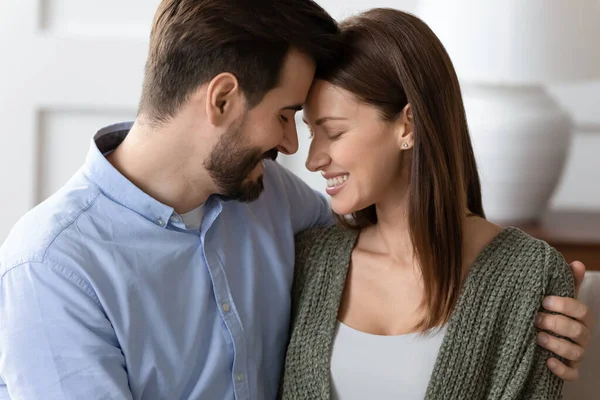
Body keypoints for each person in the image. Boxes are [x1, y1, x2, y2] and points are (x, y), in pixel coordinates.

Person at [0, 1, 590, 400]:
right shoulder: (53, 268)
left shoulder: (271, 201)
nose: (295, 148)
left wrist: (543, 300)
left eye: (318, 129)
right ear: (223, 99)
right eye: (287, 117)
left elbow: (409, 240)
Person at [280, 8, 592, 400]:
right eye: (311, 133)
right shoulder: (309, 262)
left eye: (334, 132)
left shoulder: (528, 276)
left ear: (407, 125)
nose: (312, 160)